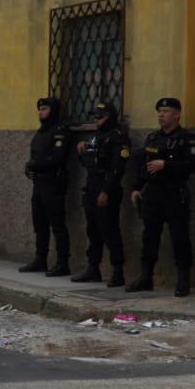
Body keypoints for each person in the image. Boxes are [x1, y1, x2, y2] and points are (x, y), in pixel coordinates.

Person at [126, 97, 195, 296]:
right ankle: (145, 277)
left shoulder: (187, 138)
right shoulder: (152, 138)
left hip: (175, 194)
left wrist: (166, 165)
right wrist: (136, 188)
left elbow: (190, 166)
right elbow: (144, 166)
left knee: (180, 238)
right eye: (159, 111)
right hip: (153, 194)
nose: (161, 115)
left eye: (166, 111)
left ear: (177, 114)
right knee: (149, 237)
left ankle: (183, 281)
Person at [72, 99, 131, 286]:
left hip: (107, 188)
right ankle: (93, 267)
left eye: (100, 117)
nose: (97, 121)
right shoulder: (96, 136)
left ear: (109, 117)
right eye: (95, 118)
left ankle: (118, 270)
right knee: (93, 231)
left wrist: (106, 191)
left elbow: (117, 169)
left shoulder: (118, 137)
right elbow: (89, 164)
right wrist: (81, 151)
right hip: (91, 185)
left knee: (109, 230)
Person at [19, 96, 73, 277]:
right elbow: (34, 156)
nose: (41, 112)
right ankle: (40, 259)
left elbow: (57, 158)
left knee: (57, 225)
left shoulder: (60, 131)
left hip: (54, 182)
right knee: (39, 223)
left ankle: (62, 263)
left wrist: (37, 165)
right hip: (39, 183)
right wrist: (29, 167)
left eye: (45, 109)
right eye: (40, 109)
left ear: (53, 111)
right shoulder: (41, 132)